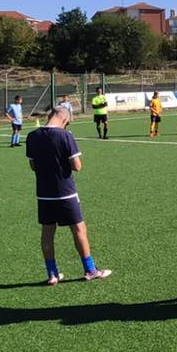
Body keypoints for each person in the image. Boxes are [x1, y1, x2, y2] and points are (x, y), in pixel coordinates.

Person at [27, 106, 111, 285]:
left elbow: (33, 166)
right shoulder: (65, 135)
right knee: (79, 229)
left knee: (47, 231)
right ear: (65, 120)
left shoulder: (32, 136)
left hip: (44, 193)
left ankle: (52, 274)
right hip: (66, 192)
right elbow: (77, 166)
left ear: (50, 116)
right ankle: (90, 270)